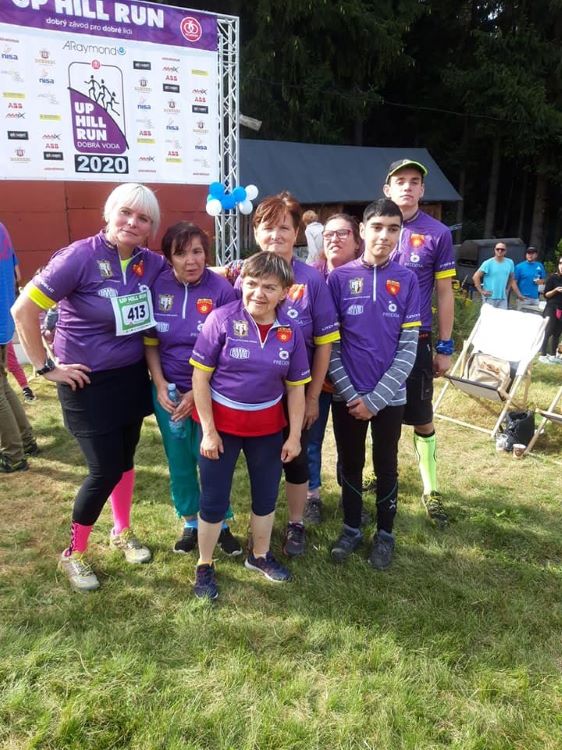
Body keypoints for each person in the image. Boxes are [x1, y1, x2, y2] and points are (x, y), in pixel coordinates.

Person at [12, 183, 166, 592]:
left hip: (130, 376)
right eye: (125, 213)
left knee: (126, 459)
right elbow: (23, 309)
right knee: (104, 469)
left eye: (143, 218)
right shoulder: (79, 256)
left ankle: (121, 531)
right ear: (109, 213)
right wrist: (46, 367)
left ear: (151, 227)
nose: (132, 222)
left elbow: (194, 271)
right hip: (86, 382)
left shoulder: (150, 263)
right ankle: (74, 553)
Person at [190, 252, 311, 599]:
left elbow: (295, 389)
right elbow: (200, 379)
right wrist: (209, 432)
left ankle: (259, 555)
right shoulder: (221, 319)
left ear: (284, 292)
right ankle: (204, 563)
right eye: (252, 283)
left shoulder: (291, 331)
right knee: (213, 498)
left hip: (267, 428)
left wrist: (294, 436)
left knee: (266, 495)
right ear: (241, 283)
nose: (258, 293)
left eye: (269, 287)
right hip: (221, 427)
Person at [328, 199, 420, 569]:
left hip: (389, 398)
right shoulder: (338, 279)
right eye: (377, 227)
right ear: (362, 230)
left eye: (393, 229)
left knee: (386, 466)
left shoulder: (408, 280)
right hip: (347, 397)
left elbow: (409, 348)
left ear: (400, 233)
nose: (384, 235)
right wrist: (352, 395)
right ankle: (351, 528)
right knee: (350, 463)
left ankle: (385, 534)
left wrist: (377, 399)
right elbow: (330, 346)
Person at [144, 221, 242, 555]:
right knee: (179, 460)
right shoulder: (157, 287)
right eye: (181, 253)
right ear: (168, 258)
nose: (191, 260)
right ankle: (190, 522)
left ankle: (221, 522)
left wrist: (197, 393)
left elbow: (230, 350)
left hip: (213, 392)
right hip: (168, 392)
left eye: (198, 251)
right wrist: (159, 384)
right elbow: (151, 342)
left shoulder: (221, 290)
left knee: (211, 458)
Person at [383, 158, 455, 527]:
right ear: (388, 189)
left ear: (423, 190)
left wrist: (445, 345)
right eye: (400, 181)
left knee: (422, 418)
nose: (407, 187)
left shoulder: (437, 233)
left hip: (417, 338)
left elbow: (445, 291)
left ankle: (432, 489)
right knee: (381, 413)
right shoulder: (375, 227)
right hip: (376, 338)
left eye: (414, 181)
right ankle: (381, 473)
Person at [304, 213, 361, 524]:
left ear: (357, 241)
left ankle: (349, 493)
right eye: (328, 234)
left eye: (342, 233)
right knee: (311, 440)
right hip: (314, 375)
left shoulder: (367, 276)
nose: (334, 239)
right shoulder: (311, 275)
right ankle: (312, 496)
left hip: (352, 377)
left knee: (349, 442)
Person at [0, 222, 38, 473]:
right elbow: (17, 273)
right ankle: (26, 441)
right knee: (2, 384)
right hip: (4, 319)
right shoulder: (2, 228)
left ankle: (13, 455)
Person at [472, 242, 524, 309]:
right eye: (498, 249)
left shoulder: (510, 262)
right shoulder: (488, 263)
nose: (500, 251)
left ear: (505, 251)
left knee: (502, 316)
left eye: (502, 249)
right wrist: (481, 291)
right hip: (490, 297)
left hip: (503, 297)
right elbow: (475, 276)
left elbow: (511, 276)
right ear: (494, 250)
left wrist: (507, 289)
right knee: (489, 316)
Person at [539, 257, 562, 364]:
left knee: (557, 333)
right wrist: (555, 290)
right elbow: (546, 295)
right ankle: (542, 355)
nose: (561, 266)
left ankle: (553, 355)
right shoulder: (553, 278)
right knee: (547, 332)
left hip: (561, 309)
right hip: (551, 307)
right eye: (560, 263)